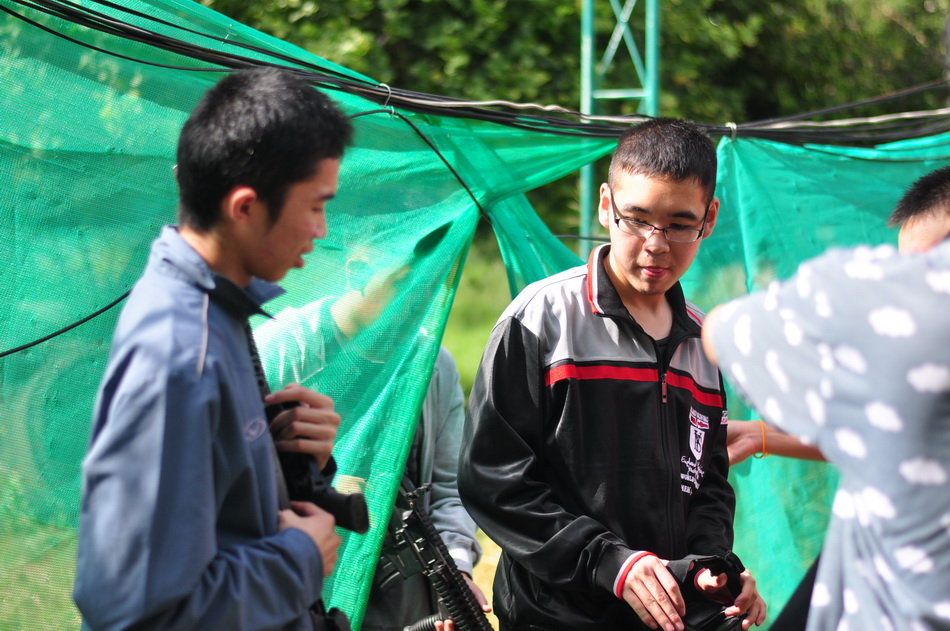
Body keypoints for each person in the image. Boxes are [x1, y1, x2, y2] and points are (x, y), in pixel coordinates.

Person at [458, 117, 766, 631]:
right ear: (606, 205)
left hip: (674, 617)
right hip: (555, 618)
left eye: (679, 224)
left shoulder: (703, 342)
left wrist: (714, 569)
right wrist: (610, 563)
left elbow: (708, 482)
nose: (655, 244)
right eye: (637, 219)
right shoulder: (540, 320)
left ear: (709, 218)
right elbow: (493, 479)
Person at [73, 67, 353, 631]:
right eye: (316, 206)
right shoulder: (181, 354)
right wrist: (298, 560)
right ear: (244, 207)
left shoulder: (217, 305)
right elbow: (130, 611)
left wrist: (287, 459)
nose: (321, 230)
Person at [701, 165, 950, 631]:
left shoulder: (906, 314)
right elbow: (893, 444)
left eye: (913, 268)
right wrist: (762, 436)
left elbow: (723, 330)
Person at [253, 251, 488, 631]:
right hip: (293, 587)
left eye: (430, 286)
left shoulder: (431, 365)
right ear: (358, 272)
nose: (418, 301)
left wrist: (456, 572)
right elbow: (225, 476)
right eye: (404, 283)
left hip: (404, 598)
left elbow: (450, 487)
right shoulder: (282, 351)